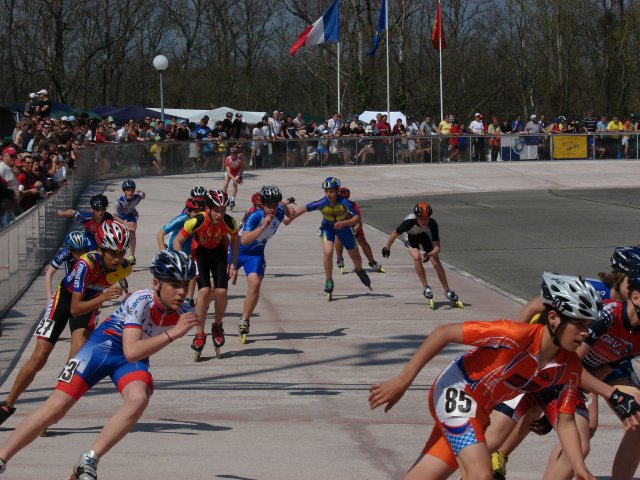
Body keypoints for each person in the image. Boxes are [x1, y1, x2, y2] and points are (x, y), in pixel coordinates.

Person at [369, 272, 601, 480]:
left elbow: (566, 423)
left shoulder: (570, 367)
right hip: (457, 389)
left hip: (479, 409)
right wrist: (402, 381)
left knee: (426, 475)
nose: (585, 333)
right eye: (579, 323)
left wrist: (579, 467)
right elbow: (444, 333)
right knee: (480, 475)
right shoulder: (513, 335)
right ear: (553, 318)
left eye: (588, 325)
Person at [0, 250, 199, 480]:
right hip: (102, 348)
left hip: (130, 358)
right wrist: (174, 333)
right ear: (156, 283)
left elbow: (137, 353)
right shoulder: (140, 300)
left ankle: (89, 459)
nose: (182, 292)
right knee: (54, 409)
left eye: (186, 284)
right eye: (174, 285)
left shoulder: (184, 311)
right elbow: (131, 351)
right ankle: (2, 458)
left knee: (138, 398)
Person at [0, 221, 132, 427]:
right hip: (64, 302)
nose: (118, 258)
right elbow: (75, 308)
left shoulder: (125, 268)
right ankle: (7, 405)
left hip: (88, 305)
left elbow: (118, 284)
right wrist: (104, 297)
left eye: (122, 253)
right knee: (39, 356)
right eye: (113, 253)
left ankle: (50, 410)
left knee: (74, 362)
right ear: (101, 249)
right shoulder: (85, 264)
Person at [173, 189, 239, 360]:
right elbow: (177, 240)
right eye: (216, 210)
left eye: (223, 210)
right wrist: (182, 261)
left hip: (218, 253)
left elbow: (235, 239)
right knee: (204, 291)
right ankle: (199, 332)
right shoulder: (197, 220)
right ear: (208, 208)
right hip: (200, 253)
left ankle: (217, 326)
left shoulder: (229, 222)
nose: (219, 215)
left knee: (221, 291)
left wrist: (233, 263)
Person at [290, 176, 371, 300]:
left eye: (331, 191)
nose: (328, 194)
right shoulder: (322, 203)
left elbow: (357, 218)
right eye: (326, 191)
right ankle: (329, 280)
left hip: (343, 228)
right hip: (327, 228)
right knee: (328, 252)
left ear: (337, 191)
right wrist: (290, 217)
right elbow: (304, 208)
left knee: (356, 257)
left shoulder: (344, 203)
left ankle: (359, 270)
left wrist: (344, 223)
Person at [235, 185, 294, 343]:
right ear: (262, 204)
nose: (272, 209)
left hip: (255, 254)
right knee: (217, 287)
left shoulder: (278, 211)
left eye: (274, 205)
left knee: (255, 283)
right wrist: (264, 226)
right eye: (269, 205)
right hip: (237, 251)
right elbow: (244, 240)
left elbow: (281, 204)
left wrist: (287, 208)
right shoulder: (256, 216)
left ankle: (244, 321)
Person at [381, 201, 462, 309]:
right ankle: (426, 287)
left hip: (424, 235)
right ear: (416, 217)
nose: (424, 221)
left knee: (436, 262)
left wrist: (429, 254)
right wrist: (387, 248)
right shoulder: (408, 223)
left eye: (427, 218)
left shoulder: (432, 224)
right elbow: (394, 234)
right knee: (417, 257)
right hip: (410, 236)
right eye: (421, 218)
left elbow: (437, 248)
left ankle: (447, 291)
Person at [156, 197, 205, 308]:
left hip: (190, 250)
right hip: (174, 249)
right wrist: (163, 253)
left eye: (200, 212)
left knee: (192, 271)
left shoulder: (203, 220)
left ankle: (189, 298)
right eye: (195, 212)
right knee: (172, 278)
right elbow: (160, 233)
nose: (198, 215)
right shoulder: (181, 219)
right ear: (188, 212)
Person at [334, 186, 384, 274]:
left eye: (346, 199)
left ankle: (372, 261)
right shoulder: (334, 206)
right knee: (339, 237)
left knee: (362, 241)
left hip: (353, 224)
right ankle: (339, 259)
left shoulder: (354, 206)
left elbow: (359, 223)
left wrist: (354, 230)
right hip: (342, 224)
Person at [44, 231, 91, 301]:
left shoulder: (90, 249)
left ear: (85, 248)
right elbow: (49, 273)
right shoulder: (65, 253)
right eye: (75, 251)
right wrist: (49, 298)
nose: (79, 254)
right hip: (72, 265)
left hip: (87, 263)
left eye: (82, 250)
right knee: (70, 280)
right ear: (70, 249)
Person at [114, 179, 145, 264]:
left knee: (132, 231)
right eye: (128, 190)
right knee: (119, 233)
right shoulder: (119, 202)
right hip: (121, 215)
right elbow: (115, 217)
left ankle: (131, 256)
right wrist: (125, 223)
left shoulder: (137, 197)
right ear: (124, 191)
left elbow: (143, 195)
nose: (130, 192)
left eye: (132, 190)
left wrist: (141, 192)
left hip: (132, 214)